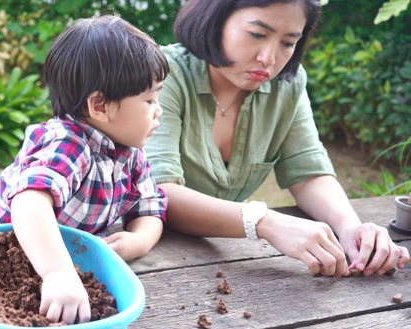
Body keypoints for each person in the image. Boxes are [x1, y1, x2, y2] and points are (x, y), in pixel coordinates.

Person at [144, 0, 410, 278]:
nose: (269, 58)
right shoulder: (163, 75)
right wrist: (263, 221)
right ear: (213, 19)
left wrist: (350, 228)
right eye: (257, 34)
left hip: (226, 268)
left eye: (288, 42)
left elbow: (308, 173)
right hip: (147, 259)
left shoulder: (287, 85)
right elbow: (159, 192)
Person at [0, 15, 169, 325]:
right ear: (100, 106)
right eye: (150, 100)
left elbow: (150, 206)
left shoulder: (131, 152)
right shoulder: (68, 143)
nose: (159, 110)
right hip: (3, 261)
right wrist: (58, 273)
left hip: (64, 263)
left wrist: (139, 240)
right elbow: (29, 202)